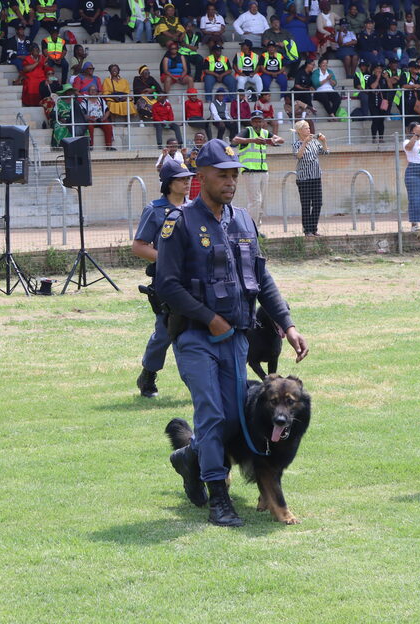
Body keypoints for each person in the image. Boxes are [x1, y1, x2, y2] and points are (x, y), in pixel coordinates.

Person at [155, 138, 308, 526]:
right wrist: (209, 317)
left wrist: (287, 324)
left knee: (233, 419)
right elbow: (167, 284)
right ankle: (219, 498)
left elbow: (261, 278)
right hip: (196, 336)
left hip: (237, 338)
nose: (230, 181)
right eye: (222, 175)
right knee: (211, 413)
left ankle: (189, 457)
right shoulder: (180, 222)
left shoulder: (242, 220)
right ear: (201, 176)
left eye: (234, 174)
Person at [131, 160, 195, 398]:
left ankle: (199, 381)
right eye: (181, 179)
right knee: (165, 332)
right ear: (169, 183)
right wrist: (168, 259)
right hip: (167, 281)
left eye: (188, 178)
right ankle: (148, 374)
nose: (187, 182)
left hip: (194, 280)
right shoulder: (155, 210)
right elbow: (139, 246)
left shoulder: (195, 207)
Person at [232, 110, 283, 226]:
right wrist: (253, 140)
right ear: (251, 122)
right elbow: (235, 140)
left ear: (263, 122)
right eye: (255, 121)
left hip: (263, 171)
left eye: (259, 121)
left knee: (262, 202)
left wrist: (273, 140)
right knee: (255, 201)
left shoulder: (265, 133)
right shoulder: (247, 131)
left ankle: (257, 228)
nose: (257, 123)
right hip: (250, 171)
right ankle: (250, 227)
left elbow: (281, 140)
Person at [292, 120, 327, 236]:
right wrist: (304, 143)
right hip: (304, 179)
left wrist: (324, 141)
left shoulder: (314, 142)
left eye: (308, 128)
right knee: (306, 204)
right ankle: (307, 230)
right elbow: (298, 156)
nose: (309, 130)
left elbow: (325, 152)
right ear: (300, 131)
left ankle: (314, 228)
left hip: (316, 176)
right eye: (306, 128)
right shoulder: (296, 144)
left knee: (318, 203)